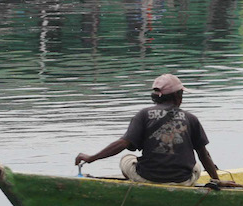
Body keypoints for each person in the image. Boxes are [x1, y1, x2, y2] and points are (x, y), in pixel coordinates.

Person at [74, 74, 220, 186]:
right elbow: (203, 154)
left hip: (147, 178)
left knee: (127, 159)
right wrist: (216, 180)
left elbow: (123, 143)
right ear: (177, 96)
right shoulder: (191, 118)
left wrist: (92, 158)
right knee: (197, 166)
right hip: (183, 180)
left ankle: (139, 187)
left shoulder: (143, 115)